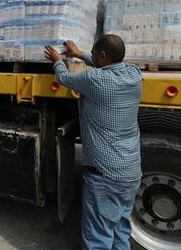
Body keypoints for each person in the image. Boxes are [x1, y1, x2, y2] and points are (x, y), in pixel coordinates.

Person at [44, 35, 142, 250]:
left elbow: (64, 78)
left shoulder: (95, 80)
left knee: (98, 236)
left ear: (102, 56)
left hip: (105, 176)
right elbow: (102, 63)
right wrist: (79, 54)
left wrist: (57, 60)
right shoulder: (134, 74)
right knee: (120, 229)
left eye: (95, 54)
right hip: (131, 173)